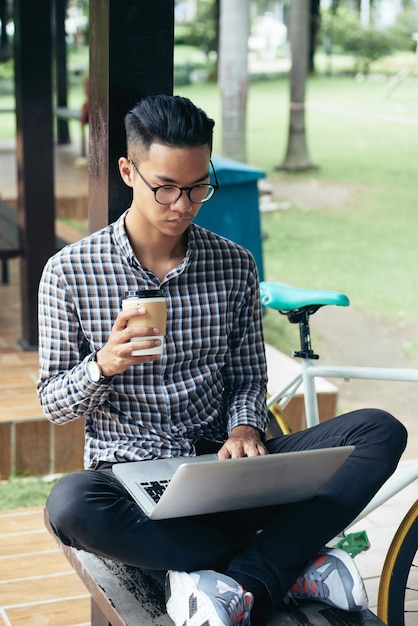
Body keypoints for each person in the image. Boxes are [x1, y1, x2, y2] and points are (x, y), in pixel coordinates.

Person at [38, 94, 407, 626]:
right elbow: (53, 402)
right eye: (164, 186)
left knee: (379, 430)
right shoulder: (68, 273)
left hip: (226, 473)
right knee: (70, 506)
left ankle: (240, 580)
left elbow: (247, 378)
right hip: (133, 485)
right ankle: (284, 562)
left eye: (196, 188)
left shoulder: (233, 264)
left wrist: (243, 428)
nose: (181, 204)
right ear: (128, 172)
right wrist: (103, 365)